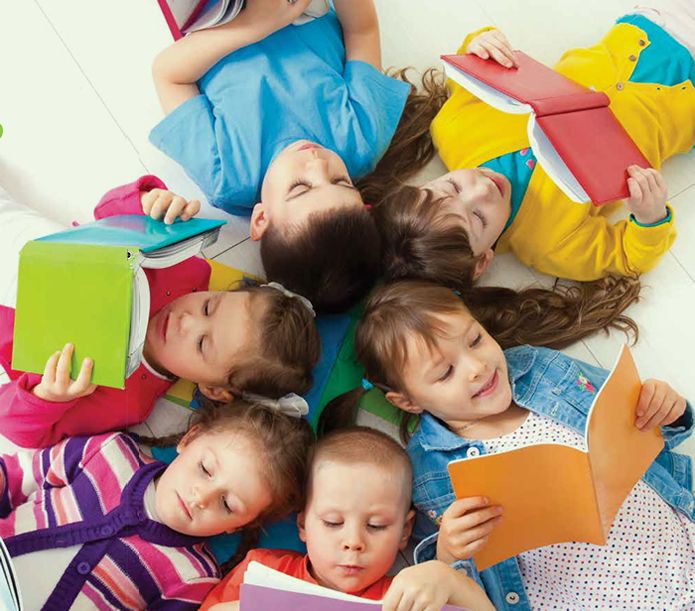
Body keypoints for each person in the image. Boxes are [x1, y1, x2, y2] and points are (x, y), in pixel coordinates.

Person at [325, 280, 694, 610]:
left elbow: (644, 422)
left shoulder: (542, 369)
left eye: (475, 340)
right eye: (445, 372)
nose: (476, 367)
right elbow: (450, 583)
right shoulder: (428, 471)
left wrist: (664, 408)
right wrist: (449, 550)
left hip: (680, 541)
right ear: (408, 401)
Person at [374, 0, 695, 292]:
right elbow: (627, 256)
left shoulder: (452, 128)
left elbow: (465, 74)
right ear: (482, 261)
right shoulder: (551, 244)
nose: (482, 189)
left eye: (453, 187)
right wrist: (649, 217)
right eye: (479, 217)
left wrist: (479, 44)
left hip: (650, 28)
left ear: (425, 183)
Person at [150, 0, 444, 312]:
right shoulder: (361, 139)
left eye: (301, 187)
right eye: (341, 182)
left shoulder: (227, 177)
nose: (318, 162)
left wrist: (255, 24)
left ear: (261, 218)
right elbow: (362, 30)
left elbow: (168, 74)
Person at [0, 176, 320, 448]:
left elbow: (19, 430)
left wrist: (47, 396)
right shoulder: (184, 268)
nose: (186, 321)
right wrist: (149, 202)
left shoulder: (128, 401)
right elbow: (106, 213)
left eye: (202, 344)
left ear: (213, 389)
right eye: (208, 306)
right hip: (28, 240)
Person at [0, 400, 314, 610]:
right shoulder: (108, 452)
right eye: (205, 469)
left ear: (239, 526)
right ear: (189, 439)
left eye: (227, 504)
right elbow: (16, 476)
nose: (200, 498)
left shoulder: (193, 578)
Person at [200, 426, 494, 611]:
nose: (353, 542)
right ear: (302, 524)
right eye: (333, 522)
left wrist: (447, 579)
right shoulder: (261, 569)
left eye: (376, 526)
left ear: (405, 531)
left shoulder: (406, 595)